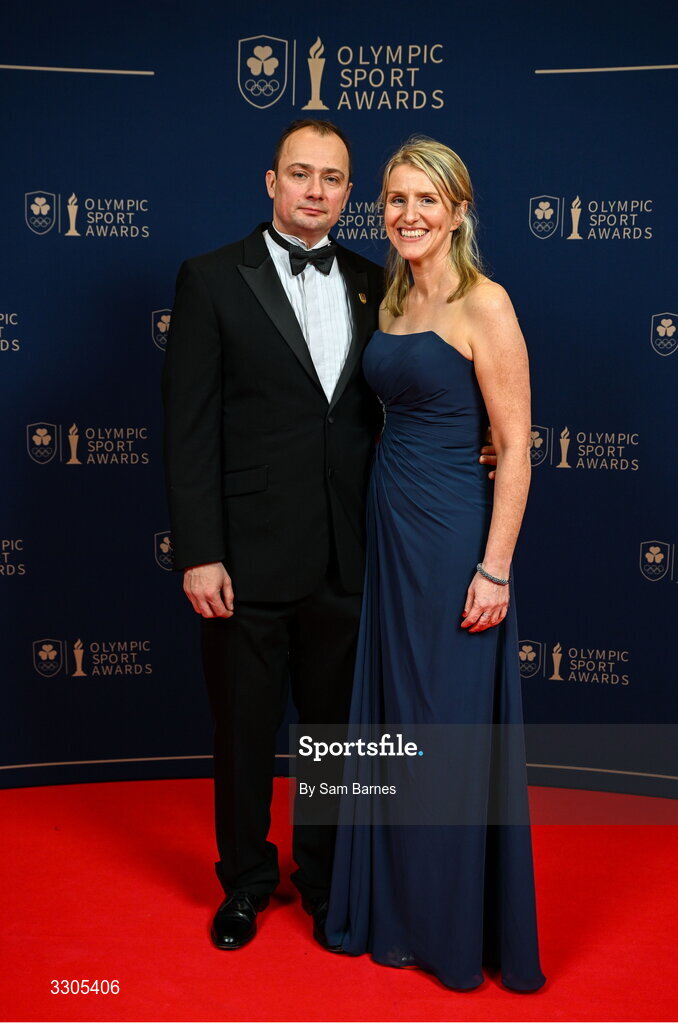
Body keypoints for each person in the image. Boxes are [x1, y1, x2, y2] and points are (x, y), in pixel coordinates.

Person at [161, 120, 497, 952]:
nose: (316, 190)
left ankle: (322, 878)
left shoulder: (372, 281)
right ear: (270, 182)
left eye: (334, 178)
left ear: (350, 194)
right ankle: (244, 882)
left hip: (353, 554)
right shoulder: (210, 279)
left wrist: (480, 440)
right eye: (300, 174)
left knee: (334, 738)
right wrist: (200, 550)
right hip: (243, 556)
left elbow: (423, 385)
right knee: (242, 731)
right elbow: (189, 429)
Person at [324, 137, 546, 992]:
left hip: (456, 535)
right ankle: (394, 915)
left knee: (444, 736)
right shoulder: (388, 301)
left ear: (458, 210)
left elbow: (517, 449)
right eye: (395, 199)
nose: (408, 214)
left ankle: (451, 928)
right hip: (393, 534)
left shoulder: (486, 304)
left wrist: (494, 569)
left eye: (427, 199)